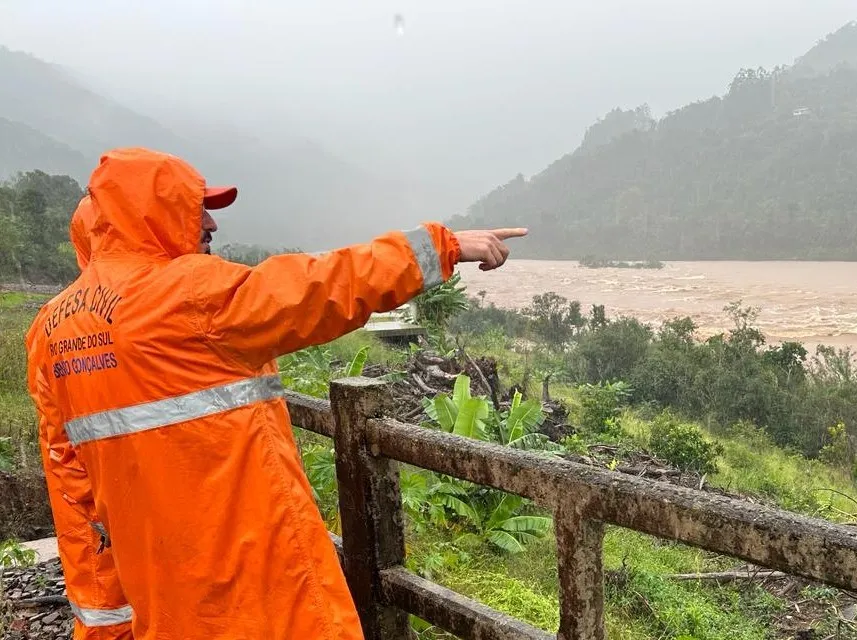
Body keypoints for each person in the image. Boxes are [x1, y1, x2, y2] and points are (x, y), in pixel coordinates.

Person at [24, 146, 527, 639]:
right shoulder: (190, 295)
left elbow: (73, 497)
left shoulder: (51, 331)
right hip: (262, 587)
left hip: (165, 603)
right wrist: (441, 246)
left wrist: (104, 625)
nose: (211, 225)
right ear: (155, 212)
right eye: (196, 208)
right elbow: (318, 284)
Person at [27, 195, 133, 639]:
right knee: (111, 611)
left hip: (84, 502)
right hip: (117, 501)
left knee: (101, 609)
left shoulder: (48, 320)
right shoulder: (148, 308)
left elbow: (56, 435)